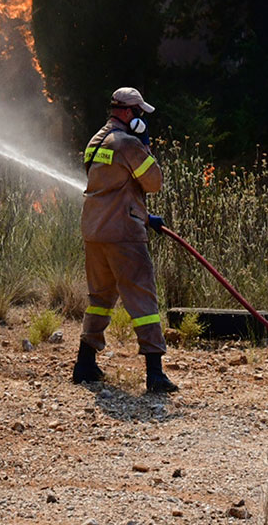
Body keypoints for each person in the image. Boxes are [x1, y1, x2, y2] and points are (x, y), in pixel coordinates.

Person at [74, 86, 179, 393]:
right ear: (128, 114)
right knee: (143, 298)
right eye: (140, 113)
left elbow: (110, 190)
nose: (143, 118)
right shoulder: (128, 144)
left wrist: (145, 217)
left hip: (95, 233)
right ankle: (155, 373)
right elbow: (154, 182)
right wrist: (144, 146)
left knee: (100, 299)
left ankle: (84, 364)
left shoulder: (96, 141)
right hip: (123, 235)